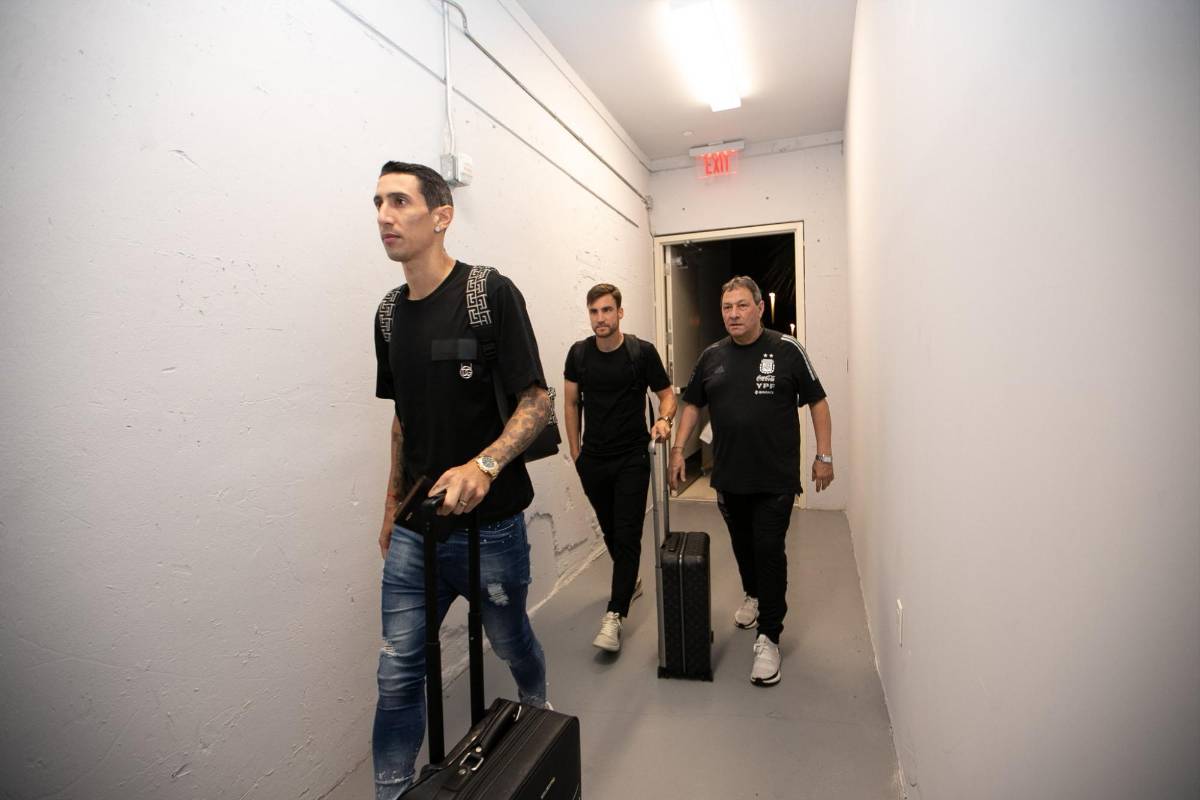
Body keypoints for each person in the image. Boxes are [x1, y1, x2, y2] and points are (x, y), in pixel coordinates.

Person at [371, 161, 552, 798]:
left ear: (442, 215)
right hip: (419, 531)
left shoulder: (488, 293)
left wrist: (485, 463)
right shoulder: (389, 315)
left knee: (509, 640)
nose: (385, 216)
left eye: (400, 201)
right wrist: (391, 504)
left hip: (492, 527)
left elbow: (537, 401)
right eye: (378, 203)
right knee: (398, 674)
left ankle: (538, 706)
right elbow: (402, 419)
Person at [668, 276, 834, 687]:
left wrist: (824, 456)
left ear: (760, 308)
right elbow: (691, 404)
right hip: (728, 478)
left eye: (742, 305)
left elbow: (818, 401)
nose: (734, 314)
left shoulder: (786, 350)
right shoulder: (711, 357)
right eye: (727, 307)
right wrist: (677, 449)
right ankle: (754, 595)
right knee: (743, 547)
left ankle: (769, 637)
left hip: (774, 479)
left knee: (768, 549)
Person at [563, 284, 676, 652]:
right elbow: (570, 403)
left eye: (607, 311)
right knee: (611, 530)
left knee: (627, 532)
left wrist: (664, 421)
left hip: (632, 457)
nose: (601, 319)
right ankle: (630, 583)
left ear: (620, 313)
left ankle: (615, 615)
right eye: (594, 312)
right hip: (593, 459)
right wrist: (577, 454)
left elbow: (667, 394)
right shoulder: (578, 355)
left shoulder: (640, 352)